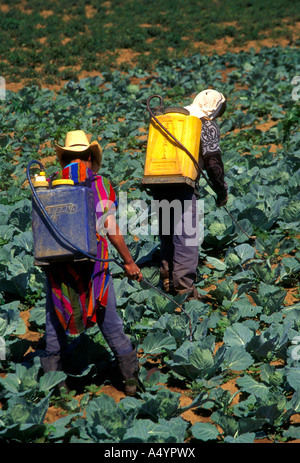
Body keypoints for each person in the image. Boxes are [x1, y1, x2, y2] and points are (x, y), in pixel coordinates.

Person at [40, 130, 143, 396]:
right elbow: (110, 227)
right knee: (109, 321)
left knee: (54, 322)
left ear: (65, 158)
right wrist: (129, 262)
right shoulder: (100, 184)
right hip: (95, 267)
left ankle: (56, 387)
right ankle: (130, 381)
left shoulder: (49, 184)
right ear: (89, 156)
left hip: (59, 269)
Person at [149, 89, 228, 300]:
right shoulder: (206, 124)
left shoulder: (170, 120)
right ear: (216, 107)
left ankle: (167, 280)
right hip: (183, 185)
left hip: (157, 183)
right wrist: (221, 190)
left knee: (167, 234)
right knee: (186, 238)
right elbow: (213, 163)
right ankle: (184, 291)